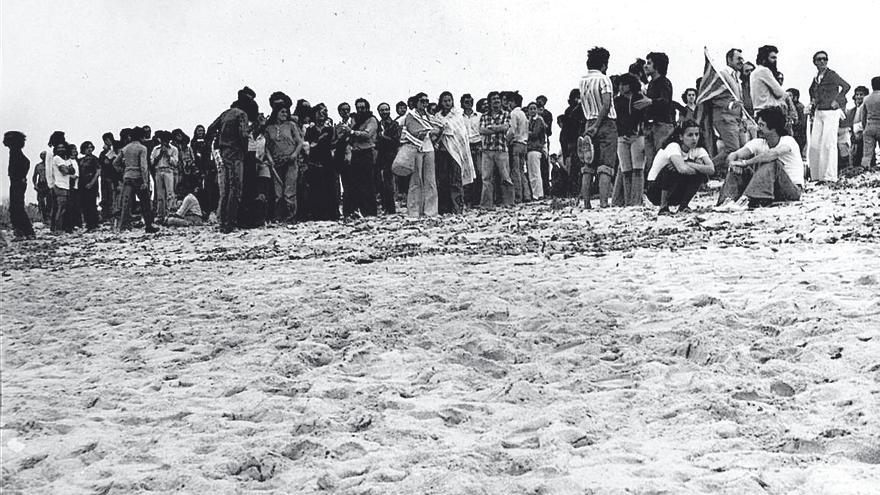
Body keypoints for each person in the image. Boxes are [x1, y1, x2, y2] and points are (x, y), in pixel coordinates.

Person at [715, 107, 803, 210]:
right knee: (738, 167)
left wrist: (745, 162)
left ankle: (750, 198)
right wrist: (733, 163)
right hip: (769, 189)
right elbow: (734, 155)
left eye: (762, 125)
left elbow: (772, 154)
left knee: (772, 163)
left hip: (790, 190)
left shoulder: (788, 141)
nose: (757, 128)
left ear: (773, 127)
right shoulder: (759, 142)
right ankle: (726, 201)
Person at [206, 93, 258, 233]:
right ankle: (230, 222)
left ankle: (223, 221)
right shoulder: (242, 114)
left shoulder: (226, 113)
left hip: (224, 151)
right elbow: (243, 134)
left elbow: (210, 129)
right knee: (235, 188)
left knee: (227, 188)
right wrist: (245, 149)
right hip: (236, 153)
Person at [646, 120, 714, 215]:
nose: (694, 139)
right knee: (672, 169)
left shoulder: (698, 149)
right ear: (681, 137)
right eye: (690, 135)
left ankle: (683, 206)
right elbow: (682, 169)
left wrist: (692, 164)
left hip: (676, 191)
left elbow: (711, 169)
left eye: (696, 134)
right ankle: (663, 207)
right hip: (656, 191)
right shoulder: (673, 146)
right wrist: (696, 165)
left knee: (700, 173)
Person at [579, 46, 618, 209]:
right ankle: (603, 202)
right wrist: (598, 125)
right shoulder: (603, 79)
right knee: (606, 165)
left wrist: (592, 125)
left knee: (588, 164)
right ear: (604, 64)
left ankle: (586, 202)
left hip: (588, 120)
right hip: (606, 122)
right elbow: (607, 104)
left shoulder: (582, 81)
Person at [808, 51, 850, 183]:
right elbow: (811, 91)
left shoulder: (831, 75)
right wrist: (813, 101)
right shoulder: (816, 78)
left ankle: (829, 176)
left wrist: (837, 100)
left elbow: (846, 86)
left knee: (828, 143)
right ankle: (816, 175)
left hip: (831, 112)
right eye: (819, 59)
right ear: (814, 62)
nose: (822, 62)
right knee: (814, 145)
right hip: (819, 112)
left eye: (825, 59)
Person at [635, 52, 674, 184]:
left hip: (662, 126)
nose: (645, 66)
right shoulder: (651, 83)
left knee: (662, 160)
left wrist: (650, 102)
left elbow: (666, 101)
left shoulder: (664, 82)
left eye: (649, 63)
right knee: (651, 162)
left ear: (657, 66)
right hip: (650, 127)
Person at [435, 91, 476, 214]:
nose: (447, 103)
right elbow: (437, 130)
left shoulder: (457, 114)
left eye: (449, 100)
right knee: (442, 180)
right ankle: (444, 208)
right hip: (442, 151)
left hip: (456, 151)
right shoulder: (437, 116)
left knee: (456, 180)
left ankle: (457, 207)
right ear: (441, 102)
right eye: (445, 101)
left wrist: (444, 128)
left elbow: (458, 132)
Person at [264, 95, 303, 222]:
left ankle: (291, 217)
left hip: (291, 161)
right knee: (278, 193)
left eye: (286, 112)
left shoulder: (291, 125)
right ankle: (278, 217)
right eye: (282, 112)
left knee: (289, 192)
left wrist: (294, 155)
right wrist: (270, 159)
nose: (285, 114)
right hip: (276, 163)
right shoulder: (269, 128)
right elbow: (267, 146)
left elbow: (299, 142)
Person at [403, 92, 442, 217]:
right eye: (422, 101)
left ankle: (430, 210)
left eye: (426, 101)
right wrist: (429, 132)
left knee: (430, 180)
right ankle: (414, 211)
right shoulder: (410, 116)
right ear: (416, 102)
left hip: (429, 148)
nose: (424, 104)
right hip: (416, 149)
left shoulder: (429, 116)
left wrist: (433, 131)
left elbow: (438, 129)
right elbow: (413, 130)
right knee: (416, 180)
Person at [114, 127, 157, 233]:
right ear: (141, 136)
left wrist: (123, 171)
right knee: (145, 203)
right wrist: (145, 181)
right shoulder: (142, 148)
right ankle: (148, 225)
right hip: (138, 177)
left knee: (126, 203)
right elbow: (143, 166)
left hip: (128, 176)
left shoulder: (125, 148)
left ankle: (124, 226)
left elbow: (115, 163)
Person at [612, 73, 647, 206]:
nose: (621, 87)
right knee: (626, 170)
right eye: (620, 84)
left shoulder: (639, 97)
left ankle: (636, 200)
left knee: (637, 169)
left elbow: (643, 117)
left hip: (637, 136)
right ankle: (629, 200)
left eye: (624, 84)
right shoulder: (617, 101)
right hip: (623, 136)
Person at [304, 103, 340, 221]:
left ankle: (332, 214)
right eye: (320, 112)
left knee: (330, 187)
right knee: (316, 188)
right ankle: (317, 214)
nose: (322, 114)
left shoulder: (330, 128)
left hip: (328, 160)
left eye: (324, 112)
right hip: (314, 160)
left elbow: (334, 143)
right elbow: (307, 145)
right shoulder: (310, 129)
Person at [478, 91, 514, 209]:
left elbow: (506, 127)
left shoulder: (506, 114)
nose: (496, 101)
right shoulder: (484, 116)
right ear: (489, 102)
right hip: (487, 150)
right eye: (493, 99)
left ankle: (509, 202)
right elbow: (481, 130)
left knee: (505, 177)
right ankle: (486, 205)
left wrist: (492, 128)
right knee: (486, 179)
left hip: (501, 149)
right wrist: (498, 129)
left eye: (498, 99)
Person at [348, 97, 379, 217]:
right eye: (358, 108)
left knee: (368, 183)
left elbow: (367, 134)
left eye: (362, 108)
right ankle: (359, 210)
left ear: (367, 108)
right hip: (355, 153)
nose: (360, 110)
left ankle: (370, 211)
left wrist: (351, 132)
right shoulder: (355, 120)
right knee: (356, 183)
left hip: (366, 153)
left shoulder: (372, 120)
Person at [4, 131, 36, 239]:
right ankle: (22, 232)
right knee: (15, 207)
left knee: (16, 207)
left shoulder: (15, 152)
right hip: (17, 181)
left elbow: (26, 162)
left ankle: (27, 232)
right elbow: (26, 162)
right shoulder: (14, 151)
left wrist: (22, 176)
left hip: (17, 182)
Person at [505, 91, 530, 202]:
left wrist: (506, 140)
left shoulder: (513, 114)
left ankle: (518, 196)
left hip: (516, 144)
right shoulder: (523, 114)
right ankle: (527, 194)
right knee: (521, 171)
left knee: (515, 171)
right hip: (524, 143)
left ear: (513, 102)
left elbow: (512, 130)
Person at [376, 102, 400, 214]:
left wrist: (383, 137)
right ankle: (385, 206)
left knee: (389, 182)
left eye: (386, 109)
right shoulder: (378, 125)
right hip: (380, 156)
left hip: (391, 155)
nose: (384, 112)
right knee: (381, 182)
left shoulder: (394, 124)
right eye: (382, 110)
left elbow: (395, 141)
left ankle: (391, 208)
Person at [559, 89, 585, 197]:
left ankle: (575, 192)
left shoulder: (569, 110)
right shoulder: (577, 110)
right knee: (577, 169)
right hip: (575, 141)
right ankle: (578, 192)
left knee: (574, 170)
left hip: (571, 142)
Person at [150, 130, 179, 221]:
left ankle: (170, 213)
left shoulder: (174, 149)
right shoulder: (156, 149)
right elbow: (152, 162)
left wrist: (167, 154)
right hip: (158, 170)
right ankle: (160, 215)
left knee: (170, 193)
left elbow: (175, 163)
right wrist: (160, 155)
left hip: (169, 171)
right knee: (160, 194)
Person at [50, 141, 78, 233]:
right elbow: (65, 171)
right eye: (59, 148)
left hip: (65, 185)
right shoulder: (57, 158)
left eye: (63, 147)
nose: (61, 149)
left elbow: (72, 171)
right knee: (60, 208)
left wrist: (68, 169)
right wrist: (68, 169)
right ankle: (57, 229)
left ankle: (59, 228)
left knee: (63, 208)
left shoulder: (66, 160)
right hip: (60, 185)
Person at [461, 93, 483, 207]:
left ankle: (477, 200)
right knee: (467, 173)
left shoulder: (479, 116)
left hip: (478, 144)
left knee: (479, 172)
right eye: (466, 102)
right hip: (465, 145)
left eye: (470, 101)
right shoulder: (460, 117)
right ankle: (468, 200)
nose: (469, 104)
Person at [191, 124, 216, 218]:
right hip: (197, 169)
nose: (200, 132)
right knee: (199, 189)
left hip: (207, 168)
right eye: (199, 131)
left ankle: (208, 209)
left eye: (202, 131)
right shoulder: (193, 142)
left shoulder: (207, 142)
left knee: (209, 190)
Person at [857, 77, 880, 170]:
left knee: (867, 153)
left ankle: (865, 168)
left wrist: (864, 127)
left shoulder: (867, 98)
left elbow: (863, 116)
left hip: (870, 125)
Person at [525, 102, 546, 199]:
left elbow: (535, 134)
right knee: (532, 172)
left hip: (535, 148)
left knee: (535, 172)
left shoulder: (538, 120)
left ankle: (538, 194)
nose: (533, 110)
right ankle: (536, 193)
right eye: (531, 109)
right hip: (531, 148)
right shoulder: (530, 121)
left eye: (534, 108)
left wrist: (524, 132)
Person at [78, 141, 101, 231]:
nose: (89, 149)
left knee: (91, 204)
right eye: (87, 147)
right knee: (84, 204)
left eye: (91, 147)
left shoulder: (94, 159)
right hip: (82, 183)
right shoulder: (81, 160)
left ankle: (93, 224)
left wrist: (92, 182)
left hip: (92, 183)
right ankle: (88, 223)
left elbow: (98, 171)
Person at [98, 132, 120, 223]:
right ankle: (106, 214)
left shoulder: (116, 149)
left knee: (113, 195)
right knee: (106, 196)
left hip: (113, 176)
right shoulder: (104, 153)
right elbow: (103, 163)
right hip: (106, 176)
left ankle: (112, 214)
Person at [848, 86, 869, 168]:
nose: (859, 97)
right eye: (857, 95)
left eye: (861, 94)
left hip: (864, 137)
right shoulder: (852, 111)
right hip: (854, 139)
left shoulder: (867, 108)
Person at [536, 95, 553, 195]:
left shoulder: (547, 114)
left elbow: (549, 131)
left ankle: (546, 189)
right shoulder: (533, 113)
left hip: (544, 140)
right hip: (535, 141)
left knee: (545, 165)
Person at [787, 88, 808, 158]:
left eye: (790, 95)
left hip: (799, 136)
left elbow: (802, 124)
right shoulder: (790, 107)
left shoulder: (800, 107)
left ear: (795, 97)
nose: (787, 97)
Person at [32, 151, 51, 224]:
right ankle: (44, 218)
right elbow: (34, 176)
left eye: (45, 155)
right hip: (41, 184)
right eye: (43, 155)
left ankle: (48, 216)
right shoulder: (38, 166)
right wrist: (35, 185)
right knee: (41, 201)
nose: (44, 157)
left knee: (50, 201)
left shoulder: (50, 165)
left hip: (48, 184)